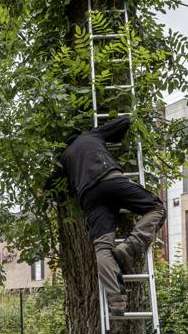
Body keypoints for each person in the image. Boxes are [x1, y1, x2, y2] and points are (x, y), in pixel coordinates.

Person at [44, 115, 166, 315]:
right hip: (110, 179)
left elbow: (50, 184)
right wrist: (104, 130)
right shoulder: (90, 135)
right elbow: (125, 121)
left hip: (89, 197)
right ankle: (131, 246)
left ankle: (116, 301)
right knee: (157, 208)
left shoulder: (64, 157)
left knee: (102, 246)